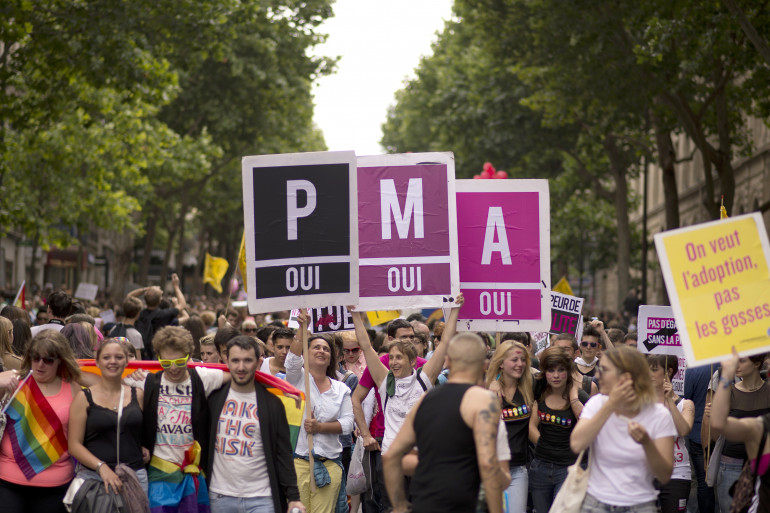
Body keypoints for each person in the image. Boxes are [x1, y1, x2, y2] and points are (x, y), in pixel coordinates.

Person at [383, 332, 508, 513]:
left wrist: (400, 506)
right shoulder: (484, 400)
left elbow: (390, 457)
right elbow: (488, 465)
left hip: (424, 504)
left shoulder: (424, 401)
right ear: (485, 365)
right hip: (466, 504)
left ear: (448, 362)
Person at [133, 326, 230, 513]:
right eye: (166, 362)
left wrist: (283, 387)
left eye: (179, 361)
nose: (174, 368)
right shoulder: (147, 379)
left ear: (189, 356)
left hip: (194, 472)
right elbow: (104, 380)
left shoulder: (203, 376)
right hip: (159, 471)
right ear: (158, 357)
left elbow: (242, 375)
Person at [349, 295, 462, 455]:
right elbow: (366, 346)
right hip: (390, 454)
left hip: (421, 454)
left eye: (399, 358)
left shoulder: (424, 378)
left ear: (412, 362)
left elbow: (445, 342)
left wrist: (454, 309)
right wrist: (355, 314)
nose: (393, 362)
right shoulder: (385, 380)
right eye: (392, 357)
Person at [204, 336, 305, 513]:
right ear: (226, 361)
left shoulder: (273, 404)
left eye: (247, 361)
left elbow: (283, 454)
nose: (241, 367)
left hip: (262, 499)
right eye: (235, 360)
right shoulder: (213, 398)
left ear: (258, 362)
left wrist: (294, 497)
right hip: (219, 497)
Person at [570, 346, 676, 512]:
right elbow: (577, 444)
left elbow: (664, 475)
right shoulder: (597, 403)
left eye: (604, 370)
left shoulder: (659, 415)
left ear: (625, 377)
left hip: (640, 505)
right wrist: (611, 404)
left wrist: (647, 443)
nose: (597, 375)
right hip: (595, 503)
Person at [0, 330, 82, 512]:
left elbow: (107, 385)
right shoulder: (14, 382)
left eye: (48, 360)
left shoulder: (74, 387)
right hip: (8, 481)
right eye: (35, 357)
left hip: (55, 485)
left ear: (60, 359)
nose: (40, 364)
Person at [285, 313, 354, 513]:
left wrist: (320, 427)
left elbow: (348, 424)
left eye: (326, 349)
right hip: (299, 464)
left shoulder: (341, 388)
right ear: (306, 353)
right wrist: (301, 328)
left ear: (331, 357)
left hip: (330, 465)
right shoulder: (297, 379)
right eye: (316, 347)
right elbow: (291, 361)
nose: (321, 351)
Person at [68, 338, 149, 495]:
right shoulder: (83, 398)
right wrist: (101, 467)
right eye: (106, 357)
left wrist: (143, 446)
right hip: (95, 478)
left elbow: (143, 433)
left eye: (119, 357)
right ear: (97, 362)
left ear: (126, 361)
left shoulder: (138, 394)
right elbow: (74, 445)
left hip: (135, 476)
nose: (113, 362)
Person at [704, 351, 770, 513]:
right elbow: (716, 431)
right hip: (731, 465)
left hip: (764, 466)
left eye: (741, 361)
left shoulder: (768, 390)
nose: (736, 366)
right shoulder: (729, 391)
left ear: (756, 363)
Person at [528, 347, 584, 513]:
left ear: (568, 371)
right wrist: (545, 445)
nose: (556, 375)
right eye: (551, 370)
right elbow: (531, 426)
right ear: (545, 372)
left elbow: (587, 429)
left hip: (568, 468)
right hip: (540, 467)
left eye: (561, 370)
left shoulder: (579, 396)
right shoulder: (539, 392)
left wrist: (573, 397)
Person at [486, 339, 534, 512]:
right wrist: (492, 383)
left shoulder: (530, 386)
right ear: (500, 364)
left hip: (518, 470)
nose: (520, 364)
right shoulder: (486, 390)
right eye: (514, 360)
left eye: (522, 360)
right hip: (489, 469)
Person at [647, 354, 694, 513]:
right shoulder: (641, 403)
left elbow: (683, 430)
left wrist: (670, 401)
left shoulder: (685, 404)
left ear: (669, 372)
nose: (649, 374)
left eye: (654, 370)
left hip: (677, 473)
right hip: (646, 472)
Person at [132, 273, 189, 359]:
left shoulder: (139, 313)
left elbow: (129, 297)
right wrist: (176, 287)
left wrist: (147, 289)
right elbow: (182, 305)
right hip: (158, 354)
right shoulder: (164, 314)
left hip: (142, 353)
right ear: (160, 300)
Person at [551, 333, 598, 398]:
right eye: (557, 349)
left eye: (566, 349)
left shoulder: (589, 386)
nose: (560, 352)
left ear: (576, 353)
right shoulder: (542, 382)